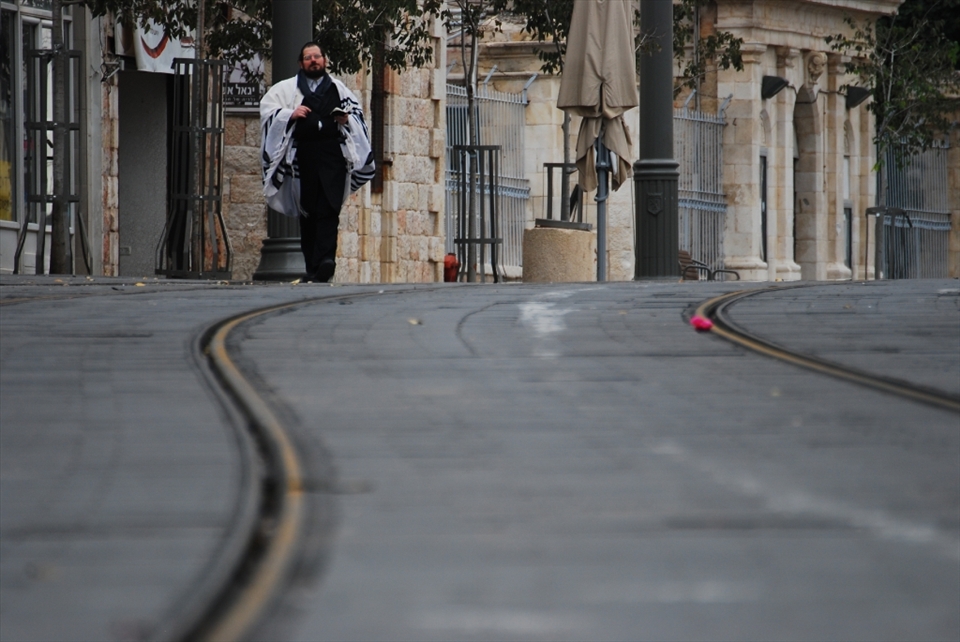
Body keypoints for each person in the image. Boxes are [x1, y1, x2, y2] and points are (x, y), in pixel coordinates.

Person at [260, 42, 375, 282]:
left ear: (324, 60)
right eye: (308, 57)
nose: (313, 60)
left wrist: (346, 120)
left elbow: (357, 115)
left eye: (317, 56)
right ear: (301, 63)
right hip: (303, 159)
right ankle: (313, 267)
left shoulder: (339, 89)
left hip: (333, 158)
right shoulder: (287, 90)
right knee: (309, 212)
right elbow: (268, 110)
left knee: (329, 209)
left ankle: (326, 261)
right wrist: (290, 114)